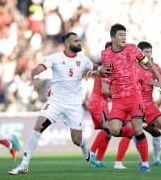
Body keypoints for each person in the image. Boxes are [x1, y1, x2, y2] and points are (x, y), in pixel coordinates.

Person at [8, 32, 109, 175]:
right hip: (56, 102)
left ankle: (84, 145)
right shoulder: (54, 58)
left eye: (79, 40)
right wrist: (36, 77)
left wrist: (99, 71)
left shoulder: (83, 60)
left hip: (73, 105)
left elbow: (97, 68)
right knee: (38, 126)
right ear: (67, 43)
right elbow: (37, 69)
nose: (79, 43)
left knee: (77, 140)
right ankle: (24, 164)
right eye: (76, 41)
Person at [100, 24, 161, 173]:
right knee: (114, 130)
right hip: (118, 99)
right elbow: (106, 72)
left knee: (136, 126)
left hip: (135, 96)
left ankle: (145, 164)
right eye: (120, 35)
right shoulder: (105, 54)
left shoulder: (133, 49)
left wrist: (160, 78)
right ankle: (138, 133)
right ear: (112, 38)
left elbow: (148, 64)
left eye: (125, 34)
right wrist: (101, 73)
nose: (124, 37)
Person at [114, 42, 161, 169]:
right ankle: (119, 162)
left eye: (150, 51)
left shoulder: (156, 67)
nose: (148, 54)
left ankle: (158, 159)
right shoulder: (133, 67)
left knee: (160, 131)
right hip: (133, 103)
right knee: (131, 132)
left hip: (148, 105)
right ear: (140, 54)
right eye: (146, 52)